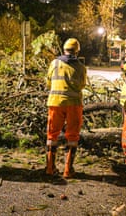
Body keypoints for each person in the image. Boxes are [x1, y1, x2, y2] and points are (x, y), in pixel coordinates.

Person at [45, 38, 86, 178]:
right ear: (77, 51)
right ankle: (68, 170)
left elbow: (48, 82)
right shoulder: (80, 66)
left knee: (52, 135)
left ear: (64, 49)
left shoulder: (54, 63)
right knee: (73, 136)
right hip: (74, 104)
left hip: (55, 102)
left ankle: (50, 168)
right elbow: (82, 85)